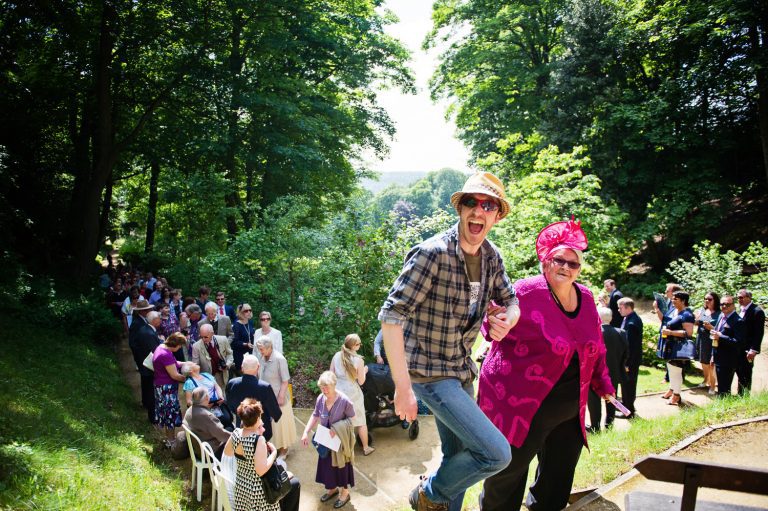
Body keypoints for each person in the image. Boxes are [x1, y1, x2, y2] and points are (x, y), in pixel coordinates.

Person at [379, 172, 520, 511]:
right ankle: (428, 493)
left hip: (460, 371)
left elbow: (511, 299)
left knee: (460, 456)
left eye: (488, 205)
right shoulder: (432, 253)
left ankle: (438, 499)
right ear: (461, 208)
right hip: (428, 374)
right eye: (471, 202)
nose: (478, 211)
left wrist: (507, 319)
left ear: (497, 215)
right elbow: (391, 317)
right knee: (496, 453)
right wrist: (402, 388)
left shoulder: (491, 257)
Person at [477, 217, 614, 511]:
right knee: (508, 473)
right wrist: (493, 322)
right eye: (559, 260)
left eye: (573, 263)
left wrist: (603, 384)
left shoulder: (587, 298)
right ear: (545, 261)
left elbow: (596, 346)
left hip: (569, 406)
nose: (565, 267)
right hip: (520, 403)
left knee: (560, 471)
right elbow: (493, 321)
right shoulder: (526, 291)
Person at [223, 398, 301, 511]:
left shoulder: (236, 433)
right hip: (258, 492)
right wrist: (274, 453)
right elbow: (261, 470)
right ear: (257, 418)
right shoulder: (258, 440)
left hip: (242, 487)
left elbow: (227, 452)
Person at [300, 371, 356, 509]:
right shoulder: (320, 398)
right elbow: (315, 415)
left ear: (334, 385)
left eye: (327, 387)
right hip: (325, 440)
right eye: (322, 387)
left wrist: (337, 428)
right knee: (327, 466)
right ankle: (332, 489)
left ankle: (345, 493)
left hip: (340, 441)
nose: (324, 390)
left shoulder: (344, 401)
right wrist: (305, 432)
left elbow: (353, 419)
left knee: (342, 467)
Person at [330, 334, 373, 455]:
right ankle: (365, 448)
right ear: (354, 346)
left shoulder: (337, 355)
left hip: (338, 391)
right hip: (352, 392)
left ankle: (338, 447)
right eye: (358, 344)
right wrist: (364, 370)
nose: (360, 346)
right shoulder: (358, 360)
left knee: (338, 420)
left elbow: (331, 375)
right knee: (360, 421)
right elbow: (361, 381)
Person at [256, 336, 298, 458]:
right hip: (266, 398)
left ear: (269, 347)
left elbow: (285, 380)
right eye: (259, 349)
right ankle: (273, 447)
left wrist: (280, 396)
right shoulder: (262, 357)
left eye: (262, 349)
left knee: (282, 425)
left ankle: (284, 450)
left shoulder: (280, 359)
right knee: (271, 426)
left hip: (279, 398)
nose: (260, 351)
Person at [588, 307, 628, 432]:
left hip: (596, 371)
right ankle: (609, 424)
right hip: (614, 370)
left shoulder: (593, 333)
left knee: (594, 398)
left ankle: (595, 425)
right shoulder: (621, 333)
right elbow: (626, 353)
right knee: (612, 396)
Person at [226, 354, 282, 439]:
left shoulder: (232, 383)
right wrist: (273, 417)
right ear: (258, 367)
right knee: (261, 450)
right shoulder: (264, 387)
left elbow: (229, 404)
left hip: (242, 426)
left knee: (243, 451)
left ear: (242, 367)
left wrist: (240, 414)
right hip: (261, 430)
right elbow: (275, 411)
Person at [659, 291, 695, 406]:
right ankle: (672, 389)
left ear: (683, 301)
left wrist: (670, 332)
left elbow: (689, 333)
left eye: (676, 299)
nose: (672, 301)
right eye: (673, 298)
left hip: (679, 347)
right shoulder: (676, 312)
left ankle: (677, 396)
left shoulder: (687, 315)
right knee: (671, 368)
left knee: (676, 371)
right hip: (671, 345)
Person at [152, 332, 188, 447]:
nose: (179, 349)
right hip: (166, 390)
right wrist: (189, 379)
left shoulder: (162, 347)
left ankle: (169, 439)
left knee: (167, 414)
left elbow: (172, 363)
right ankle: (171, 441)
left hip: (161, 387)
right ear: (175, 344)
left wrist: (185, 363)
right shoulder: (165, 354)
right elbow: (175, 375)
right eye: (179, 346)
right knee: (170, 415)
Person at [129, 309, 162, 424]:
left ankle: (150, 410)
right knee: (151, 393)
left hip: (145, 365)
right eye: (159, 318)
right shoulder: (148, 333)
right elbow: (155, 352)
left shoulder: (147, 330)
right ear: (154, 320)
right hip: (149, 367)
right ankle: (153, 417)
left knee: (148, 390)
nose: (161, 320)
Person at [183, 387, 232, 459]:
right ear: (206, 398)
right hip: (209, 452)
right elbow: (221, 435)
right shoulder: (207, 416)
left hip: (198, 449)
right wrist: (238, 436)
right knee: (231, 431)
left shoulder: (189, 410)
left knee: (229, 429)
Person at [182, 362, 234, 430]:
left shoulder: (206, 375)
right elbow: (189, 401)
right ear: (190, 370)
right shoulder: (189, 383)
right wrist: (202, 405)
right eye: (193, 364)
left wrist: (220, 396)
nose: (196, 363)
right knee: (215, 425)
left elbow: (217, 387)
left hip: (217, 403)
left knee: (227, 420)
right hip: (204, 409)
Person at [712, 295, 745, 397]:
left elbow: (738, 342)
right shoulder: (721, 316)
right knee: (721, 386)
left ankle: (724, 407)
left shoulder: (738, 321)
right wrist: (713, 354)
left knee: (724, 388)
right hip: (718, 356)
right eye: (722, 304)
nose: (724, 306)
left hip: (728, 359)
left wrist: (720, 337)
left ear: (734, 305)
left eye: (727, 304)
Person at [618, 297, 644, 417]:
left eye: (621, 307)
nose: (619, 310)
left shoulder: (632, 323)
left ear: (628, 308)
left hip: (630, 361)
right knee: (626, 384)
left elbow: (631, 347)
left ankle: (629, 411)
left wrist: (627, 363)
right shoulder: (629, 318)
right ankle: (625, 405)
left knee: (628, 385)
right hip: (630, 360)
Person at [736, 288, 765, 395]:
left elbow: (759, 333)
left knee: (746, 372)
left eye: (741, 297)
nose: (739, 300)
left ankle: (744, 396)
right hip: (739, 347)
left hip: (748, 349)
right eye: (738, 297)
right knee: (739, 371)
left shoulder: (757, 311)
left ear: (749, 297)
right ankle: (740, 393)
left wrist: (753, 349)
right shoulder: (741, 310)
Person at [191, 323, 234, 390]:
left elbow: (229, 354)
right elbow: (195, 364)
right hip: (206, 378)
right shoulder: (196, 346)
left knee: (222, 396)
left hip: (222, 375)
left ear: (212, 333)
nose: (203, 339)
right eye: (201, 337)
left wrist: (227, 365)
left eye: (205, 337)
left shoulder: (223, 339)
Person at [694, 292, 721, 395]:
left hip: (711, 341)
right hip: (701, 339)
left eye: (709, 299)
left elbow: (720, 330)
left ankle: (713, 386)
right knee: (703, 362)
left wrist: (711, 327)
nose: (707, 301)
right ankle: (706, 380)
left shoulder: (719, 313)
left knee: (711, 364)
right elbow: (697, 323)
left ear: (715, 300)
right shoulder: (704, 311)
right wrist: (696, 318)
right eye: (705, 299)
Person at [232, 303, 256, 373]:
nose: (248, 312)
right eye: (246, 311)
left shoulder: (250, 322)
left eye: (250, 310)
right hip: (240, 355)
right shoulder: (236, 325)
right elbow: (234, 342)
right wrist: (245, 344)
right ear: (240, 312)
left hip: (251, 353)